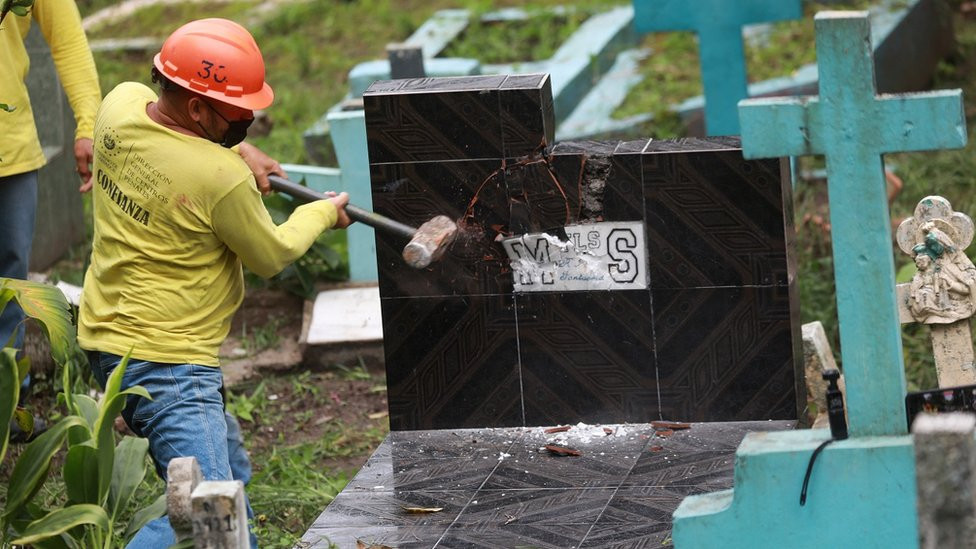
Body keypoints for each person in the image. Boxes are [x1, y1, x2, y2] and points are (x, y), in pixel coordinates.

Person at [77, 18, 350, 547]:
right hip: (171, 366)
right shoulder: (218, 180)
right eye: (237, 115)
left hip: (106, 335)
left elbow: (178, 150)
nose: (247, 119)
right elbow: (272, 253)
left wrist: (236, 149)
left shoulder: (121, 105)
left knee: (228, 478)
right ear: (198, 109)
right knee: (213, 521)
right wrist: (321, 212)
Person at [1, 0, 101, 441]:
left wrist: (88, 124)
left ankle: (6, 408)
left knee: (10, 283)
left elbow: (68, 41)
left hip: (11, 150)